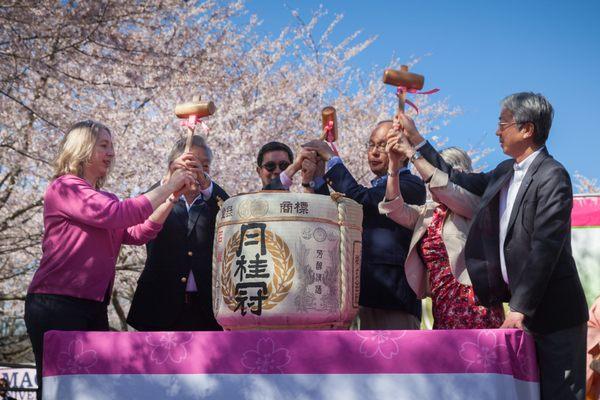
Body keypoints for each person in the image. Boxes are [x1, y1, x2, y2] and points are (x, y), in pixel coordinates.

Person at [399, 92, 588, 399]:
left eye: (503, 123)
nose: (498, 131)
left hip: (555, 316)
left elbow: (546, 247)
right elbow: (454, 177)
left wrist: (519, 308)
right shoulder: (504, 172)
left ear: (526, 129)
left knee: (559, 394)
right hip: (519, 314)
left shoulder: (553, 176)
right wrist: (416, 140)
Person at [24, 120, 194, 397]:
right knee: (60, 389)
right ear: (81, 148)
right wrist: (167, 185)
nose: (111, 153)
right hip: (56, 303)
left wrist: (171, 197)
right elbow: (116, 214)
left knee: (92, 389)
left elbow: (139, 232)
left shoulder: (105, 198)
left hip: (93, 305)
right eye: (103, 145)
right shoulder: (64, 188)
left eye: (112, 146)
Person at [303, 120, 426, 330]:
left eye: (382, 145)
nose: (375, 152)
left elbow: (364, 202)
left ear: (402, 151)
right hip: (359, 298)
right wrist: (317, 178)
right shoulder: (377, 188)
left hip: (392, 299)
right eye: (371, 145)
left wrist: (332, 160)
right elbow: (338, 217)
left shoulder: (411, 185)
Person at [379, 134, 504, 329]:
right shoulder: (428, 214)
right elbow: (393, 208)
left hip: (473, 301)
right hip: (442, 301)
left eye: (432, 174)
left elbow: (446, 190)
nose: (428, 181)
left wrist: (413, 153)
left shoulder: (474, 204)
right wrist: (393, 166)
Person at [127, 135, 228, 331]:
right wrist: (169, 181)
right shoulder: (158, 195)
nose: (197, 171)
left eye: (204, 166)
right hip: (158, 304)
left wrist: (207, 184)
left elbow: (231, 212)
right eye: (190, 165)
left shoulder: (213, 200)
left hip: (207, 309)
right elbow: (139, 217)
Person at [256, 140, 326, 193]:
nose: (277, 171)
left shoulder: (297, 204)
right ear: (259, 172)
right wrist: (295, 166)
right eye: (270, 166)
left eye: (284, 165)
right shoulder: (248, 203)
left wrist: (317, 178)